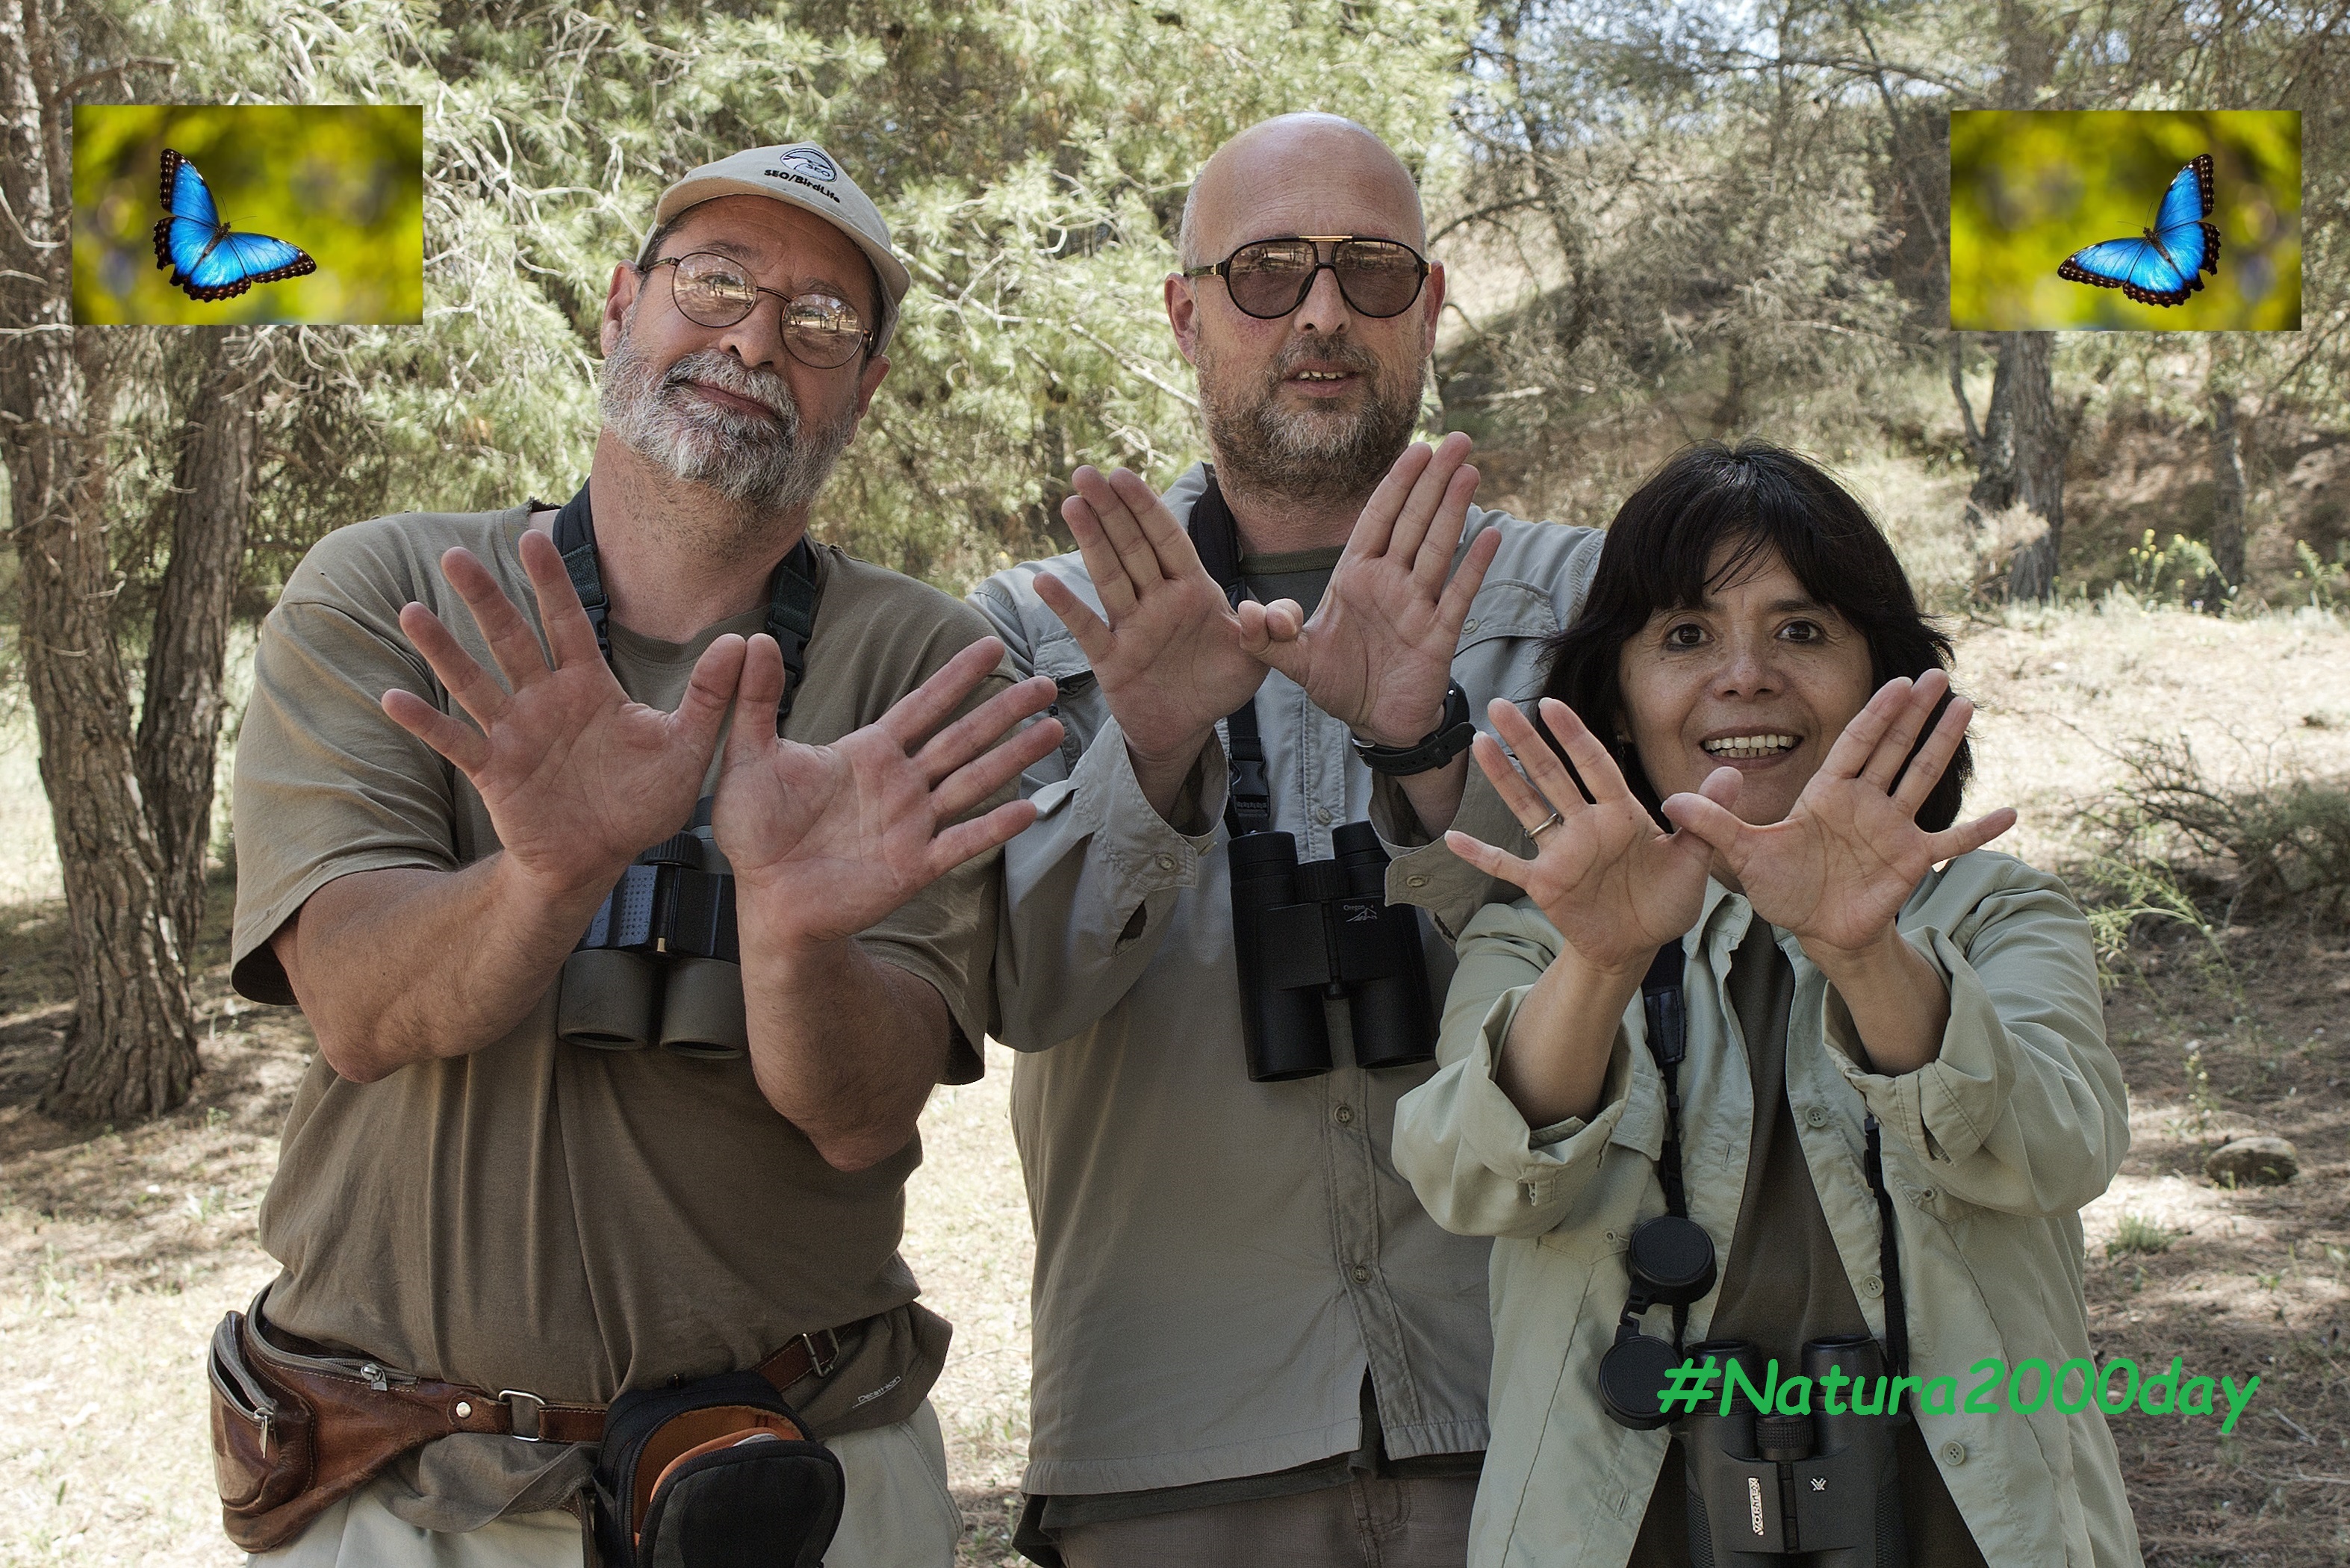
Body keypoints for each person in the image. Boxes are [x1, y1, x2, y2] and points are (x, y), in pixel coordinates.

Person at [222, 143, 1062, 1567]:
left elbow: (864, 1116)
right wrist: (547, 874)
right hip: (401, 1489)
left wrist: (793, 935)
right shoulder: (399, 595)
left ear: (858, 390)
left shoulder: (922, 668)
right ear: (621, 306)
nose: (751, 337)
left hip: (796, 1483)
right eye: (715, 281)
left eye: (818, 321)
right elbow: (359, 1013)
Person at [969, 114, 1606, 1567]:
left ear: (1429, 308)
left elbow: (1655, 977)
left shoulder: (1592, 605)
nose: (1320, 312)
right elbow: (1017, 993)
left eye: (1370, 272)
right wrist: (1150, 752)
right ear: (1183, 315)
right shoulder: (1031, 633)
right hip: (1170, 1439)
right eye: (1265, 273)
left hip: (1538, 1416)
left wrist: (1429, 759)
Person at [1391, 441, 2142, 1567]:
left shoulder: (1997, 914)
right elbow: (1468, 1174)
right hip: (1624, 1528)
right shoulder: (1536, 932)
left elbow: (2057, 1146)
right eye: (1685, 636)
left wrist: (1865, 947)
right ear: (1617, 694)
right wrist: (1601, 961)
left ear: (1884, 679)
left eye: (1802, 631)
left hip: (1970, 1527)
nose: (1744, 675)